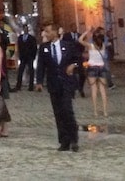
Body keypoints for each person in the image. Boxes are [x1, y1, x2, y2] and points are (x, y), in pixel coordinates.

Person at [38, 23, 81, 152]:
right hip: (53, 84)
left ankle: (74, 139)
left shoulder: (68, 45)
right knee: (58, 113)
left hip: (67, 83)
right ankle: (64, 141)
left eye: (48, 31)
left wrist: (73, 65)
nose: (46, 34)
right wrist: (39, 81)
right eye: (45, 32)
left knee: (67, 110)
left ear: (55, 32)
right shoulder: (44, 48)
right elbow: (41, 65)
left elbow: (78, 59)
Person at [81, 27, 109, 118]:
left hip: (92, 68)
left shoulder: (90, 46)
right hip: (101, 68)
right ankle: (105, 111)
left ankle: (95, 112)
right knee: (103, 90)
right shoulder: (103, 46)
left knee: (94, 90)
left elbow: (80, 40)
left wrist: (87, 31)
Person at [14, 24, 37, 92]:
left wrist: (33, 56)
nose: (25, 30)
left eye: (26, 28)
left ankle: (31, 86)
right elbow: (19, 47)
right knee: (20, 71)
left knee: (31, 71)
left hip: (29, 57)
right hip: (23, 57)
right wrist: (18, 55)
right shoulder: (20, 37)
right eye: (24, 28)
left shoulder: (32, 38)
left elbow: (34, 47)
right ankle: (18, 85)